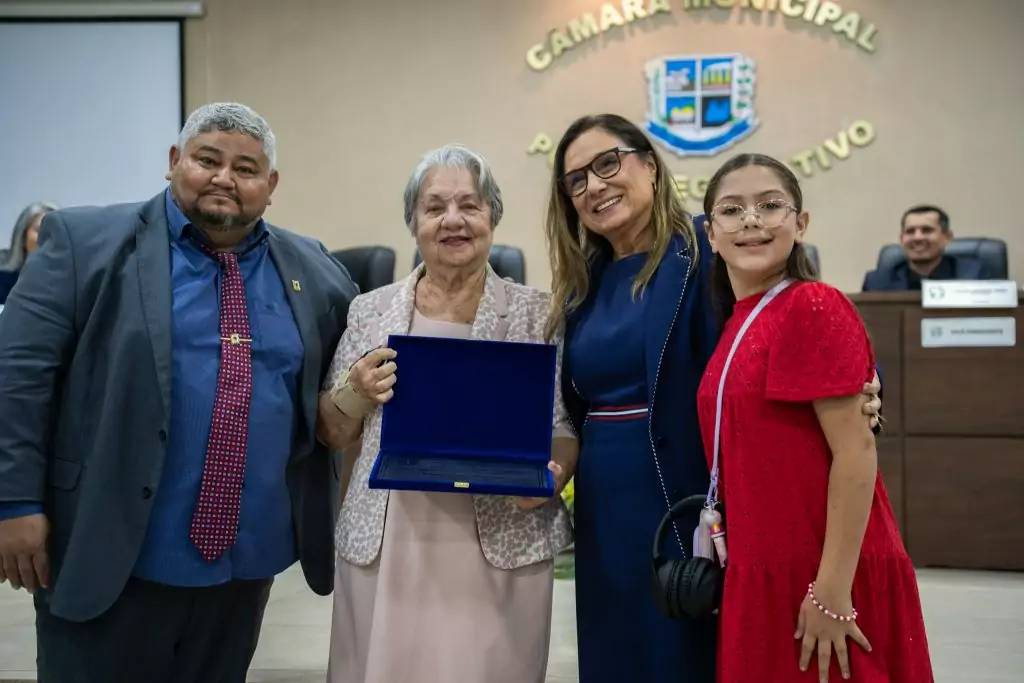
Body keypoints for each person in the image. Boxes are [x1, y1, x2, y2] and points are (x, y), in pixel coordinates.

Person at [0, 102, 358, 682]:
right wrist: (15, 501)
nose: (224, 178)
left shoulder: (314, 267)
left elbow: (350, 371)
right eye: (207, 160)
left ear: (271, 186)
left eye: (246, 168)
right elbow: (17, 376)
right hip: (109, 550)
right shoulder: (84, 244)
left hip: (246, 564)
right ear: (174, 161)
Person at [541, 113, 882, 683]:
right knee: (613, 648)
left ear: (650, 166)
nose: (594, 186)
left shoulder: (709, 246)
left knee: (683, 650)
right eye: (577, 180)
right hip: (605, 500)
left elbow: (797, 316)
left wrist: (870, 390)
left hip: (692, 490)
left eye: (607, 164)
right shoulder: (581, 283)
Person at [315, 143, 577, 683]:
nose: (452, 219)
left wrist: (550, 479)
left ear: (492, 217)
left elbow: (563, 429)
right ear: (413, 222)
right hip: (391, 539)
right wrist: (357, 390)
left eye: (469, 205)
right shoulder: (370, 311)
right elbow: (332, 432)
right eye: (434, 207)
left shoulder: (538, 314)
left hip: (501, 537)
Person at [698, 152, 933, 683]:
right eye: (731, 210)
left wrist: (830, 592)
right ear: (711, 234)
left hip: (823, 571)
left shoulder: (812, 304)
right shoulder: (735, 321)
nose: (751, 220)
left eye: (770, 205)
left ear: (800, 223)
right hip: (760, 562)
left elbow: (856, 453)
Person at [861, 204, 996, 291]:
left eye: (927, 230)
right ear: (901, 239)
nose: (918, 237)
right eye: (910, 231)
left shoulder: (974, 276)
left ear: (947, 237)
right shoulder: (877, 282)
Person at [0, 200, 58, 303]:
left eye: (52, 231)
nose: (45, 236)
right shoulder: (3, 277)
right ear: (23, 234)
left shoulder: (67, 281)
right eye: (38, 230)